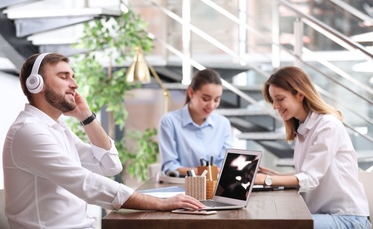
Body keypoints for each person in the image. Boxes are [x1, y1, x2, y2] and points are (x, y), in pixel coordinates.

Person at [3, 52, 204, 229]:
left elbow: (110, 165)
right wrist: (159, 202)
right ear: (36, 84)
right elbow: (86, 183)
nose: (75, 84)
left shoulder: (57, 128)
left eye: (73, 77)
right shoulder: (29, 132)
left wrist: (86, 117)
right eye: (64, 77)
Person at [255, 66, 370, 229]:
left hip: (347, 219)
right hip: (322, 215)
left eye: (280, 99)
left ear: (300, 94)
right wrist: (275, 175)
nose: (275, 106)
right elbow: (309, 174)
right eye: (273, 100)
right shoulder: (303, 129)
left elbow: (309, 178)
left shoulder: (327, 126)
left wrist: (265, 180)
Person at [158, 68, 234, 176]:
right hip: (182, 186)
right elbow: (169, 166)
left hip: (215, 186)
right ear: (191, 93)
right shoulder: (169, 122)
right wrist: (203, 172)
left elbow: (225, 164)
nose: (212, 105)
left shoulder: (223, 124)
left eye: (216, 100)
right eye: (206, 99)